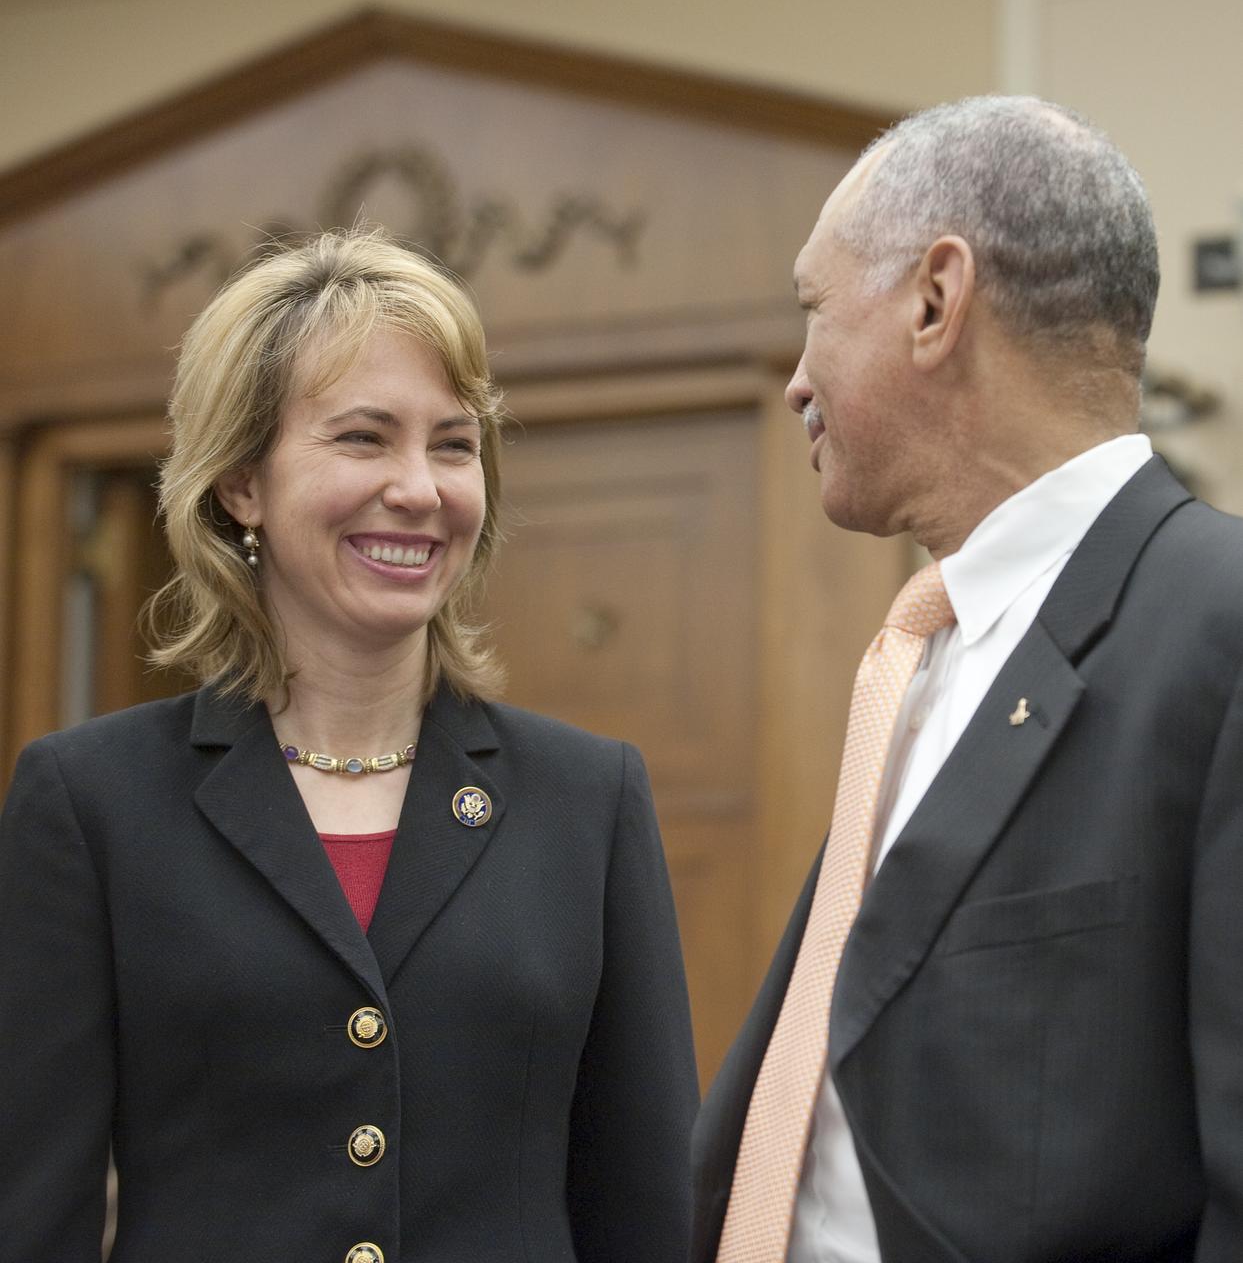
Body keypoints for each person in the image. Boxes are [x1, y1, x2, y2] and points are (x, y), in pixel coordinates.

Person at [0, 229, 698, 1262]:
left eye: (453, 444)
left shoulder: (590, 797)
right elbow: (31, 1215)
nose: (419, 486)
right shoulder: (88, 801)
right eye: (365, 438)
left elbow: (647, 1210)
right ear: (242, 482)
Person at [692, 96, 1243, 1263]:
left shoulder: (1218, 626)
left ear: (937, 301)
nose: (794, 380)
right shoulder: (919, 648)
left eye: (812, 314)